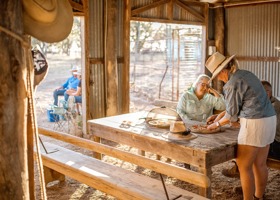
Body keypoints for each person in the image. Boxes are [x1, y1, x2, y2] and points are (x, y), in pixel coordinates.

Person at [205, 52, 276, 200]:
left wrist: (216, 124)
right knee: (260, 164)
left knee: (243, 166)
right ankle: (258, 197)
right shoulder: (246, 74)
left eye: (218, 75)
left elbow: (231, 115)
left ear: (223, 71)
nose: (219, 78)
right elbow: (239, 105)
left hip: (255, 123)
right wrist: (219, 116)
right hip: (269, 119)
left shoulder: (231, 84)